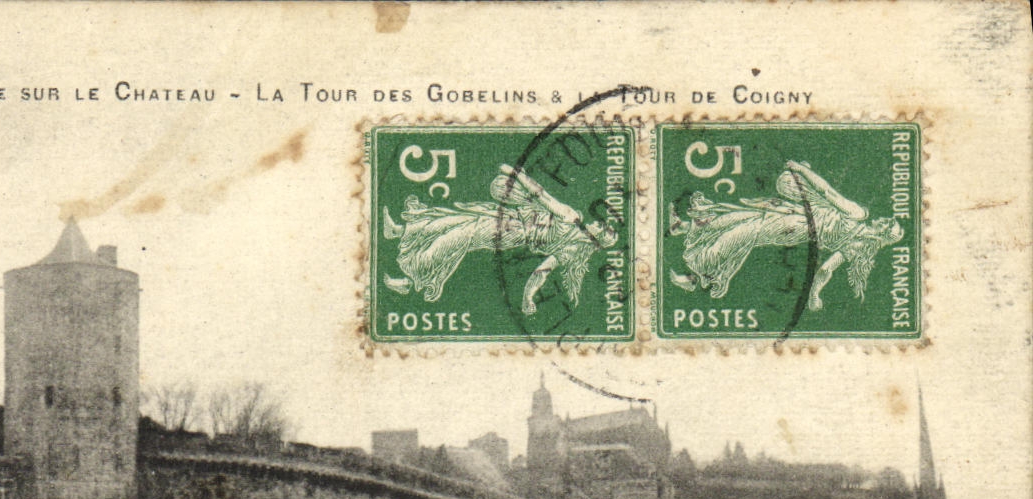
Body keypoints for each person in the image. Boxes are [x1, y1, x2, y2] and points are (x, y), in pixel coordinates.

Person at [382, 164, 619, 316]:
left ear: (596, 235)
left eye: (601, 226)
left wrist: (518, 175)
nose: (597, 222)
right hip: (510, 218)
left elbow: (542, 196)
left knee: (458, 237)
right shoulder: (571, 247)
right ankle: (401, 230)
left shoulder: (572, 219)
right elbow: (541, 272)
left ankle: (410, 279)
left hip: (510, 230)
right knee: (457, 219)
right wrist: (528, 296)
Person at [668, 159, 903, 310]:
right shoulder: (857, 247)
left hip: (795, 222)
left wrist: (801, 170)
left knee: (741, 233)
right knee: (741, 218)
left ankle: (695, 276)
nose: (884, 219)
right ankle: (685, 229)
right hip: (796, 223)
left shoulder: (859, 214)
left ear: (883, 231)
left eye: (888, 223)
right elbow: (825, 270)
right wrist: (814, 296)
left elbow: (827, 192)